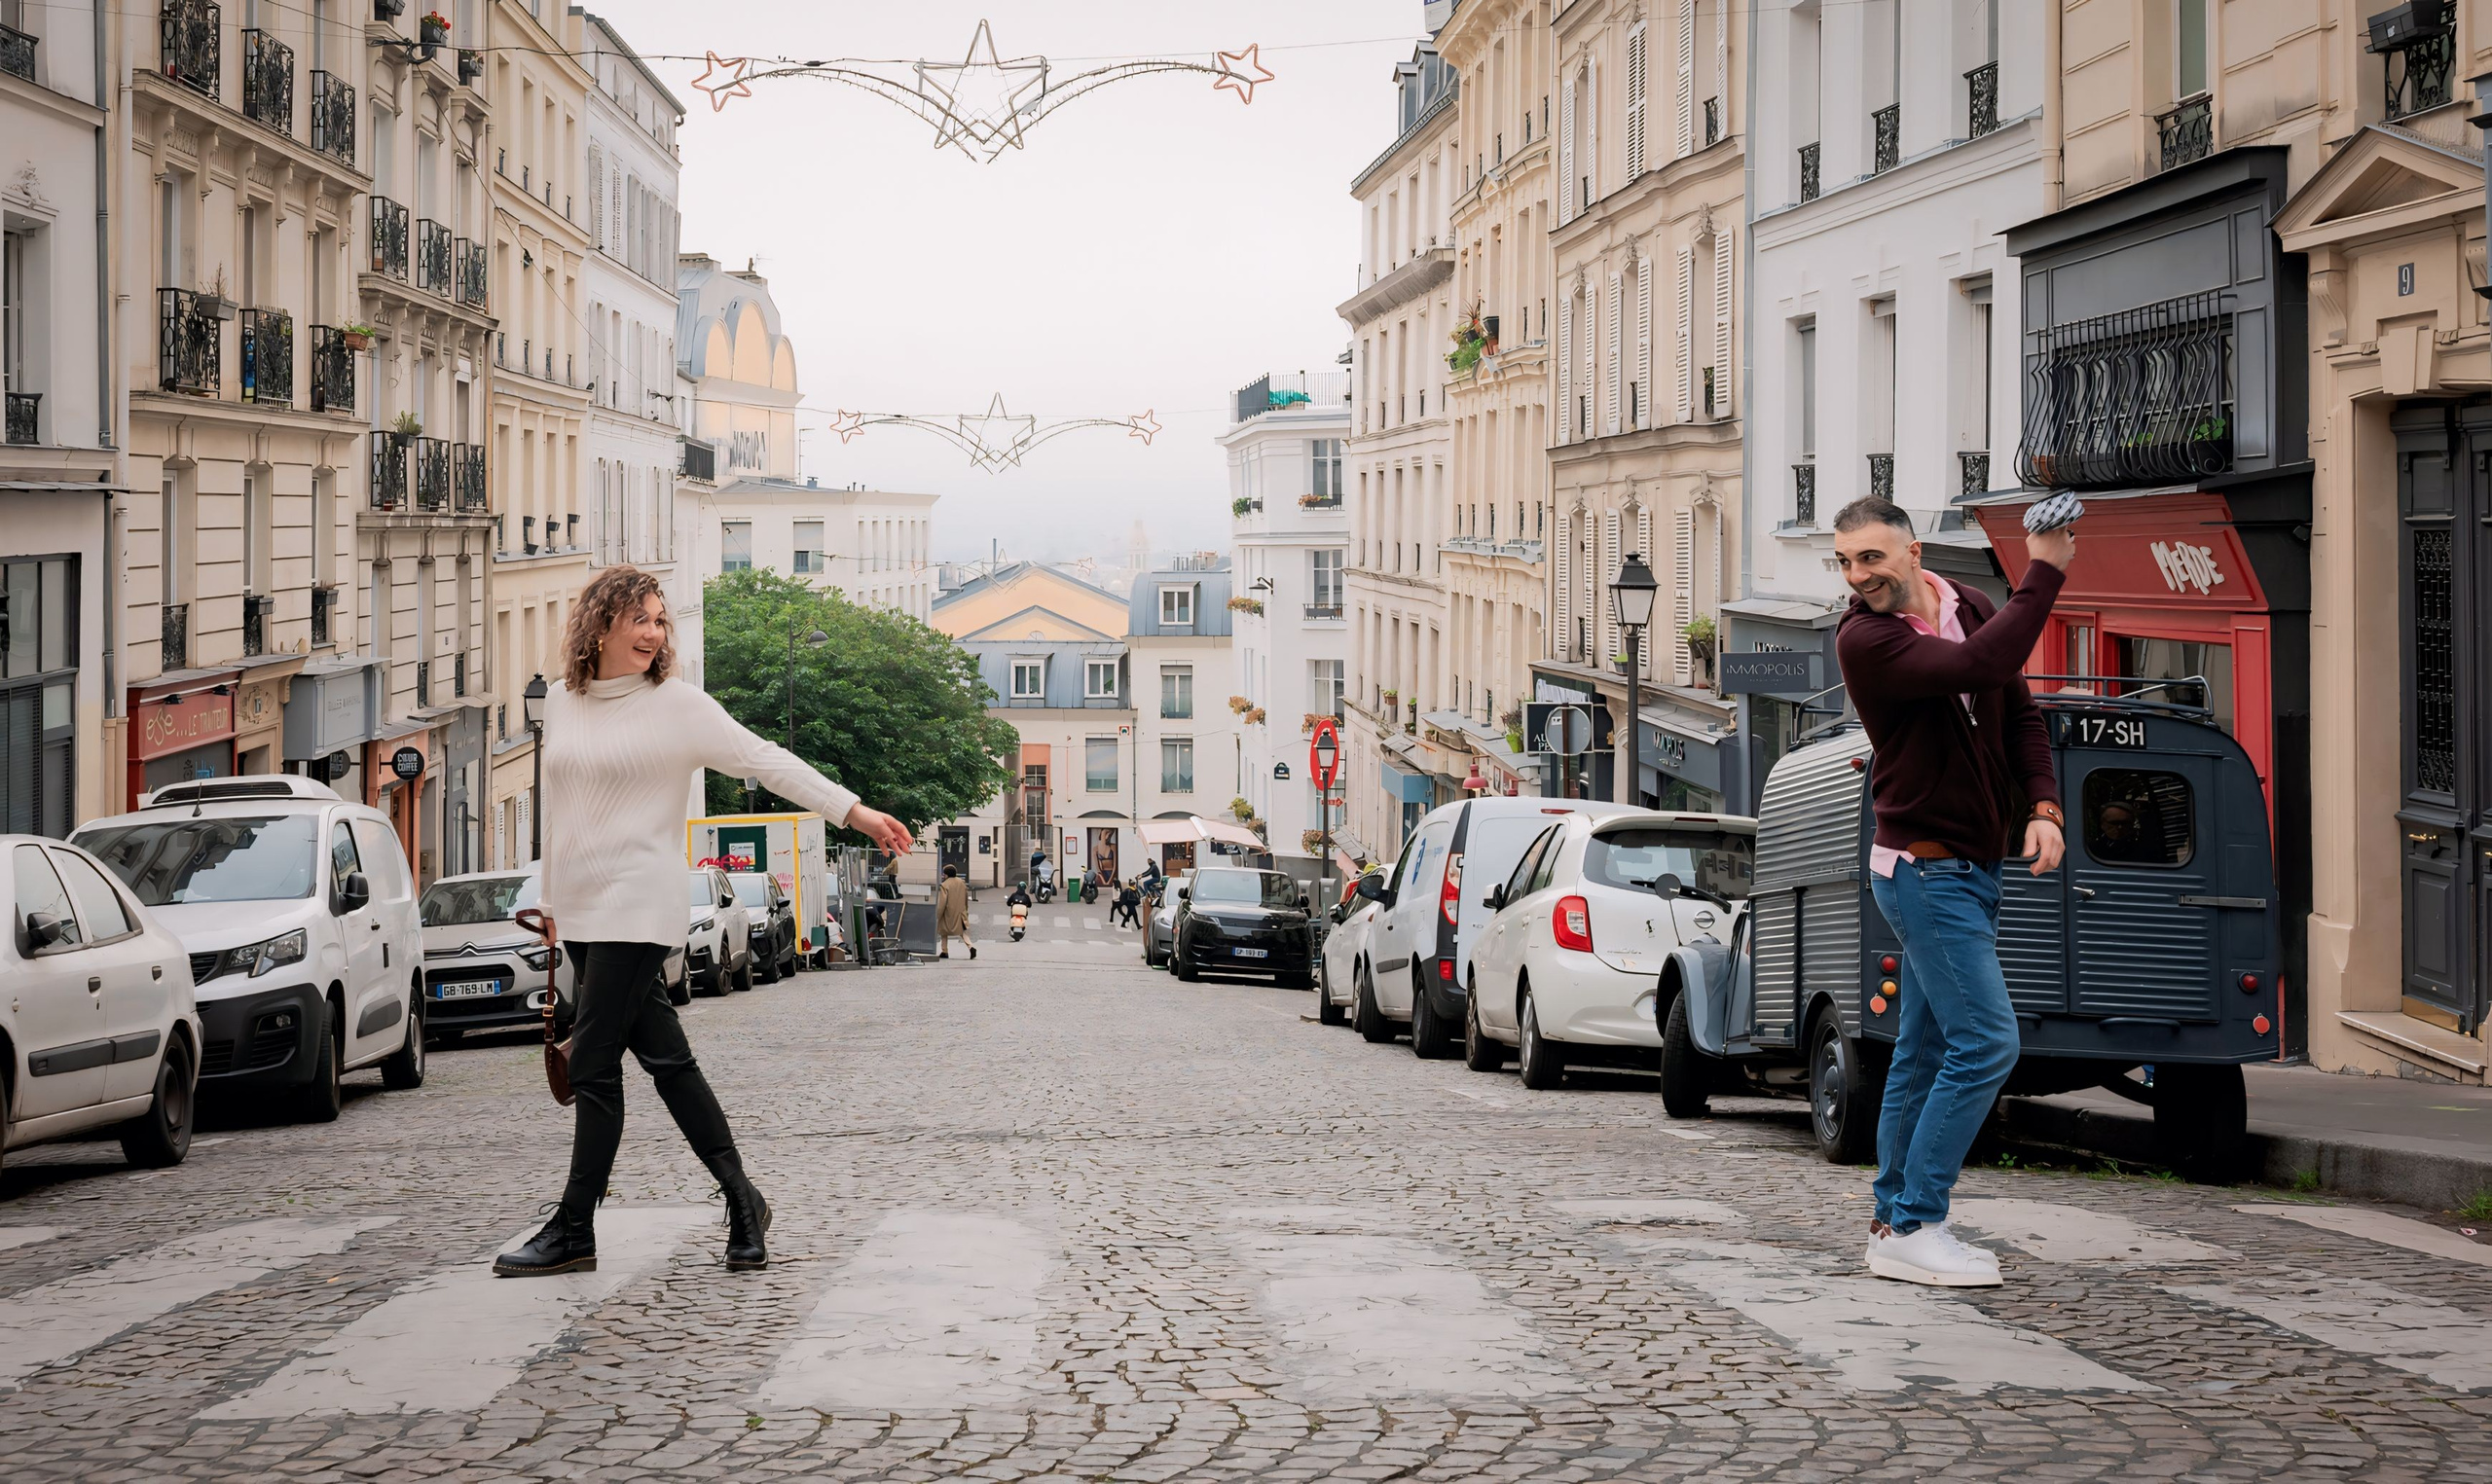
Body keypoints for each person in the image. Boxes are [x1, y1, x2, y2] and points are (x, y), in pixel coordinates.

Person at [495, 565, 914, 1280]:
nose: (655, 634)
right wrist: (554, 905)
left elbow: (764, 759)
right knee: (668, 1062)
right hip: (588, 910)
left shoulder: (678, 705)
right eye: (641, 620)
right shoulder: (561, 703)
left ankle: (574, 1227)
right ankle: (744, 1199)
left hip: (641, 902)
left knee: (594, 1065)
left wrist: (855, 811)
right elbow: (565, 812)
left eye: (661, 621)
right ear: (599, 625)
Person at [1832, 495, 2071, 1289]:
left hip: (1973, 867)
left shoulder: (1968, 604)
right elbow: (1982, 667)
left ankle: (1894, 1216)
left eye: (1871, 557)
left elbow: (2021, 715)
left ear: (1913, 551)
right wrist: (2046, 569)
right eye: (1845, 561)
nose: (1857, 574)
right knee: (1987, 1041)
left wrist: (2042, 807)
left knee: (1927, 1046)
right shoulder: (1865, 640)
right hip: (1922, 868)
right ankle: (1914, 1221)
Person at [936, 864, 977, 959]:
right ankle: (971, 947)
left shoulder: (945, 885)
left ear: (946, 874)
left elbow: (943, 901)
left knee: (943, 931)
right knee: (962, 932)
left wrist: (939, 914)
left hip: (948, 912)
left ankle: (944, 951)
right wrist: (965, 910)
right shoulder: (961, 883)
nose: (943, 876)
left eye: (944, 874)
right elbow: (966, 898)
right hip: (960, 911)